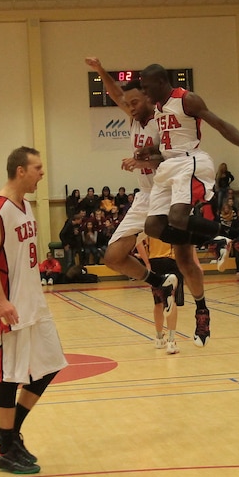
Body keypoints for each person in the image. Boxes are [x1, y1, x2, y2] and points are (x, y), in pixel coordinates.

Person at [137, 63, 239, 347]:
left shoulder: (187, 99)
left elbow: (220, 125)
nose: (144, 91)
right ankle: (229, 239)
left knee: (177, 217)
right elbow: (167, 146)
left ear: (161, 81)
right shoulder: (159, 109)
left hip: (190, 162)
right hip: (168, 168)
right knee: (153, 225)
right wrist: (150, 151)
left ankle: (234, 234)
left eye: (147, 85)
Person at [0, 146, 68, 475]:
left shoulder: (26, 204)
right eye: (38, 168)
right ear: (21, 171)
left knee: (49, 366)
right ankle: (6, 449)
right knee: (11, 376)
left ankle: (9, 431)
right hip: (13, 306)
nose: (42, 174)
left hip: (36, 303)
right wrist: (1, 301)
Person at [84, 59, 178, 310]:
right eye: (128, 104)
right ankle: (159, 282)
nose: (130, 107)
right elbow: (116, 94)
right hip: (145, 197)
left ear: (149, 98)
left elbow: (171, 160)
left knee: (183, 245)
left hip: (165, 194)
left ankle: (228, 238)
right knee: (113, 257)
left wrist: (143, 162)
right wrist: (100, 70)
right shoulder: (135, 118)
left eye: (135, 102)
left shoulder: (164, 121)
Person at [137, 232, 182, 354]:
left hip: (155, 262)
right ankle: (171, 341)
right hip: (171, 261)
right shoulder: (173, 220)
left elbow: (138, 241)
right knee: (171, 301)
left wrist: (147, 263)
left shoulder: (149, 221)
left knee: (158, 302)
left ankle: (158, 338)